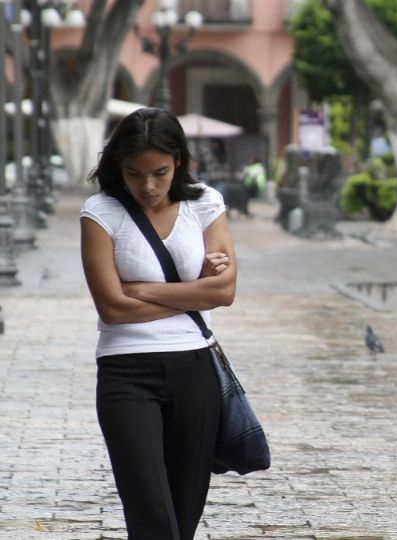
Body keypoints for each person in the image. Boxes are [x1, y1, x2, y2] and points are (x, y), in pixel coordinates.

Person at [80, 107, 238, 538]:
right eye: (134, 174)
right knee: (151, 515)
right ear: (119, 168)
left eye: (160, 173)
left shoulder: (205, 203)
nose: (147, 186)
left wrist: (143, 290)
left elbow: (223, 292)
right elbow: (111, 308)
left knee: (183, 519)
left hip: (195, 370)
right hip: (126, 373)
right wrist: (193, 294)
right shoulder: (100, 211)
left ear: (179, 162)